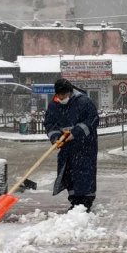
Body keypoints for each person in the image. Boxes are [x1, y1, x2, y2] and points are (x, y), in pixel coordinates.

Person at [43, 78, 100, 212]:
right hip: (66, 148)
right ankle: (74, 200)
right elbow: (50, 124)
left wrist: (74, 133)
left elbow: (92, 120)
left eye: (63, 95)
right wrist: (56, 137)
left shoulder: (84, 102)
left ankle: (86, 202)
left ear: (70, 92)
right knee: (68, 173)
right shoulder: (54, 105)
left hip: (85, 146)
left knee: (85, 173)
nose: (61, 97)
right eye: (59, 95)